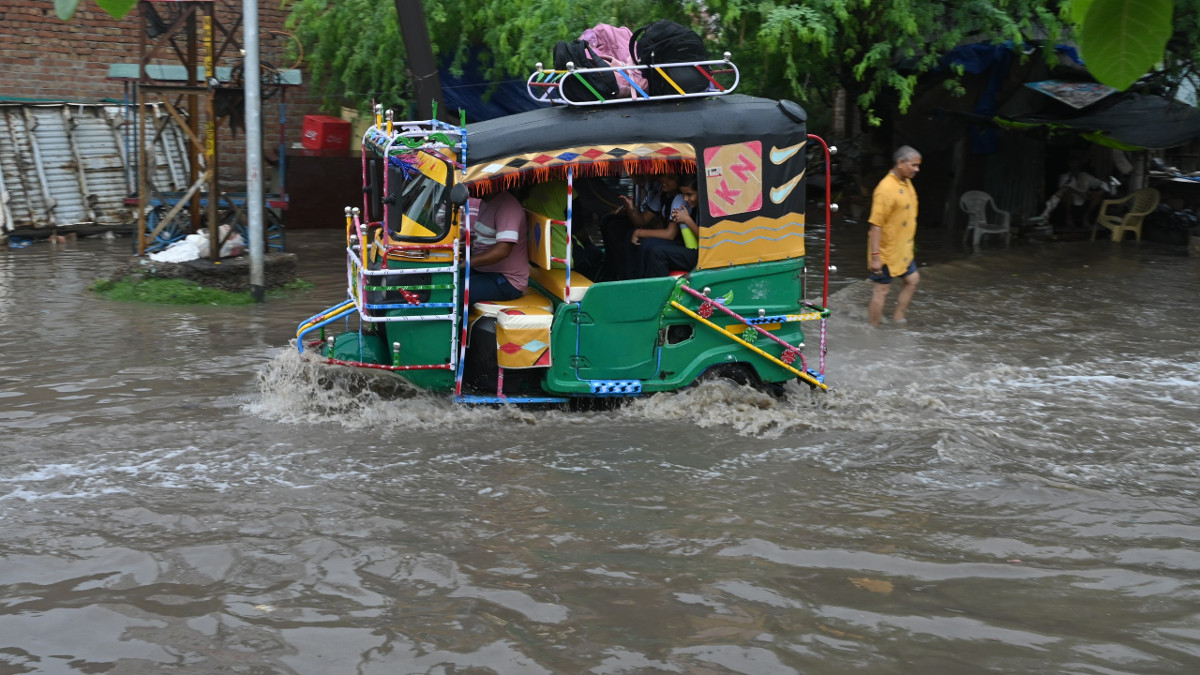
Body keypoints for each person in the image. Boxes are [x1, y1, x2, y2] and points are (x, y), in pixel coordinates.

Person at [867, 146, 921, 327]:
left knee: (912, 279)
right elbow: (876, 224)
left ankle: (898, 318)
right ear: (900, 163)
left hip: (902, 249)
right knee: (882, 290)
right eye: (913, 165)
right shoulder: (885, 189)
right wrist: (876, 257)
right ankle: (872, 329)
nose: (916, 169)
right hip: (886, 252)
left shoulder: (906, 182)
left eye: (918, 166)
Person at [600, 173, 680, 280]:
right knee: (612, 222)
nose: (663, 180)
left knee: (646, 244)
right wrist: (631, 209)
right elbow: (643, 220)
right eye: (662, 175)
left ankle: (637, 278)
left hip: (677, 241)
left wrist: (639, 233)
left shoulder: (679, 199)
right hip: (662, 233)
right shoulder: (661, 195)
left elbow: (670, 234)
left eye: (670, 178)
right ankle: (618, 273)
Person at [466, 190, 528, 304]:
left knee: (453, 293)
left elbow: (502, 250)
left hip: (506, 280)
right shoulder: (486, 201)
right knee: (444, 281)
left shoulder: (508, 208)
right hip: (483, 270)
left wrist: (466, 262)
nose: (469, 187)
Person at [639, 174, 700, 277]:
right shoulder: (692, 206)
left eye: (690, 195)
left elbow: (707, 239)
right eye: (683, 194)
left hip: (704, 255)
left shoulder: (707, 209)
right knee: (652, 247)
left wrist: (687, 220)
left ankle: (659, 286)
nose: (685, 198)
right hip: (694, 249)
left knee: (658, 253)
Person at [1030, 158, 1113, 230]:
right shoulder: (1065, 176)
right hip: (1069, 203)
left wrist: (1100, 191)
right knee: (1066, 195)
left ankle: (1085, 218)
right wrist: (1080, 193)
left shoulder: (1085, 176)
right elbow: (1064, 189)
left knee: (1098, 196)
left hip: (1084, 202)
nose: (1075, 167)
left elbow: (1100, 183)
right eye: (1073, 165)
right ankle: (1068, 219)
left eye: (1077, 165)